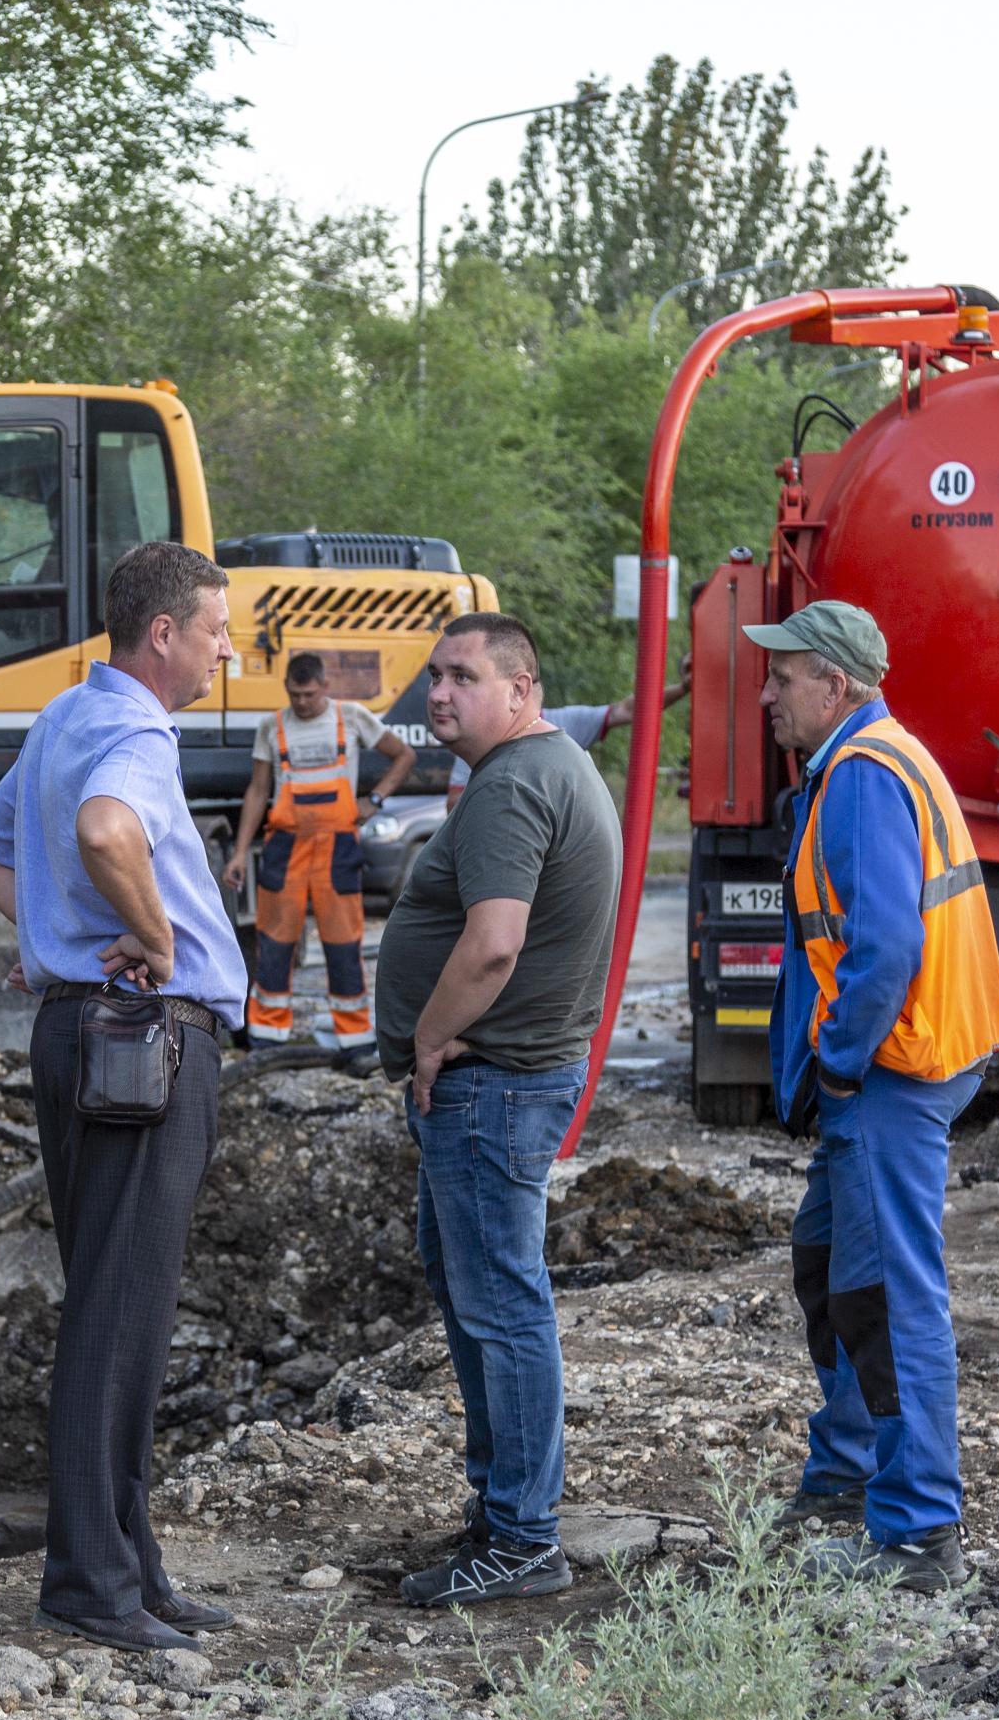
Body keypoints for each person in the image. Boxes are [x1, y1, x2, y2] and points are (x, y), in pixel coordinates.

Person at [0, 541, 248, 1654]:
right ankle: (92, 1581)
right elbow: (102, 831)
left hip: (84, 1026)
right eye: (218, 628)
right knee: (118, 1310)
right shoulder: (134, 730)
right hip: (143, 1038)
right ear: (163, 632)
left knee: (115, 1297)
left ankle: (130, 1564)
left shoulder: (61, 718)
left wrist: (56, 939)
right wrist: (149, 933)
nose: (230, 647)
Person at [750, 600, 999, 1594]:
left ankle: (917, 1528)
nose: (767, 692)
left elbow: (886, 945)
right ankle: (848, 1470)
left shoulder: (862, 773)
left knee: (888, 1296)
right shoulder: (878, 756)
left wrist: (840, 1059)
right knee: (830, 1264)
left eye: (785, 675)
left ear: (837, 683)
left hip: (893, 1073)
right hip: (902, 1066)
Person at [375, 613, 620, 1609]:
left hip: (490, 1083)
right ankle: (502, 1509)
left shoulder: (516, 781)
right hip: (509, 1080)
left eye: (463, 675)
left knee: (501, 1304)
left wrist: (430, 1037)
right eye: (434, 675)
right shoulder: (546, 764)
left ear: (521, 689)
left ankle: (520, 1533)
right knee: (483, 1292)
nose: (440, 693)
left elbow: (492, 945)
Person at [221, 651, 415, 1049]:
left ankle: (355, 1035)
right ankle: (268, 1033)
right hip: (285, 848)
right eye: (294, 694)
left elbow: (404, 755)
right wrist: (240, 852)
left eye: (309, 694)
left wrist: (373, 801)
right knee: (275, 940)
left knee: (343, 941)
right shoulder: (271, 727)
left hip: (337, 847)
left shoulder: (352, 717)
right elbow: (258, 791)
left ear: (325, 687)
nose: (302, 703)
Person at [445, 669, 688, 792]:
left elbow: (628, 710)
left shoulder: (564, 724)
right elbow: (455, 806)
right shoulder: (478, 742)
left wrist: (684, 687)